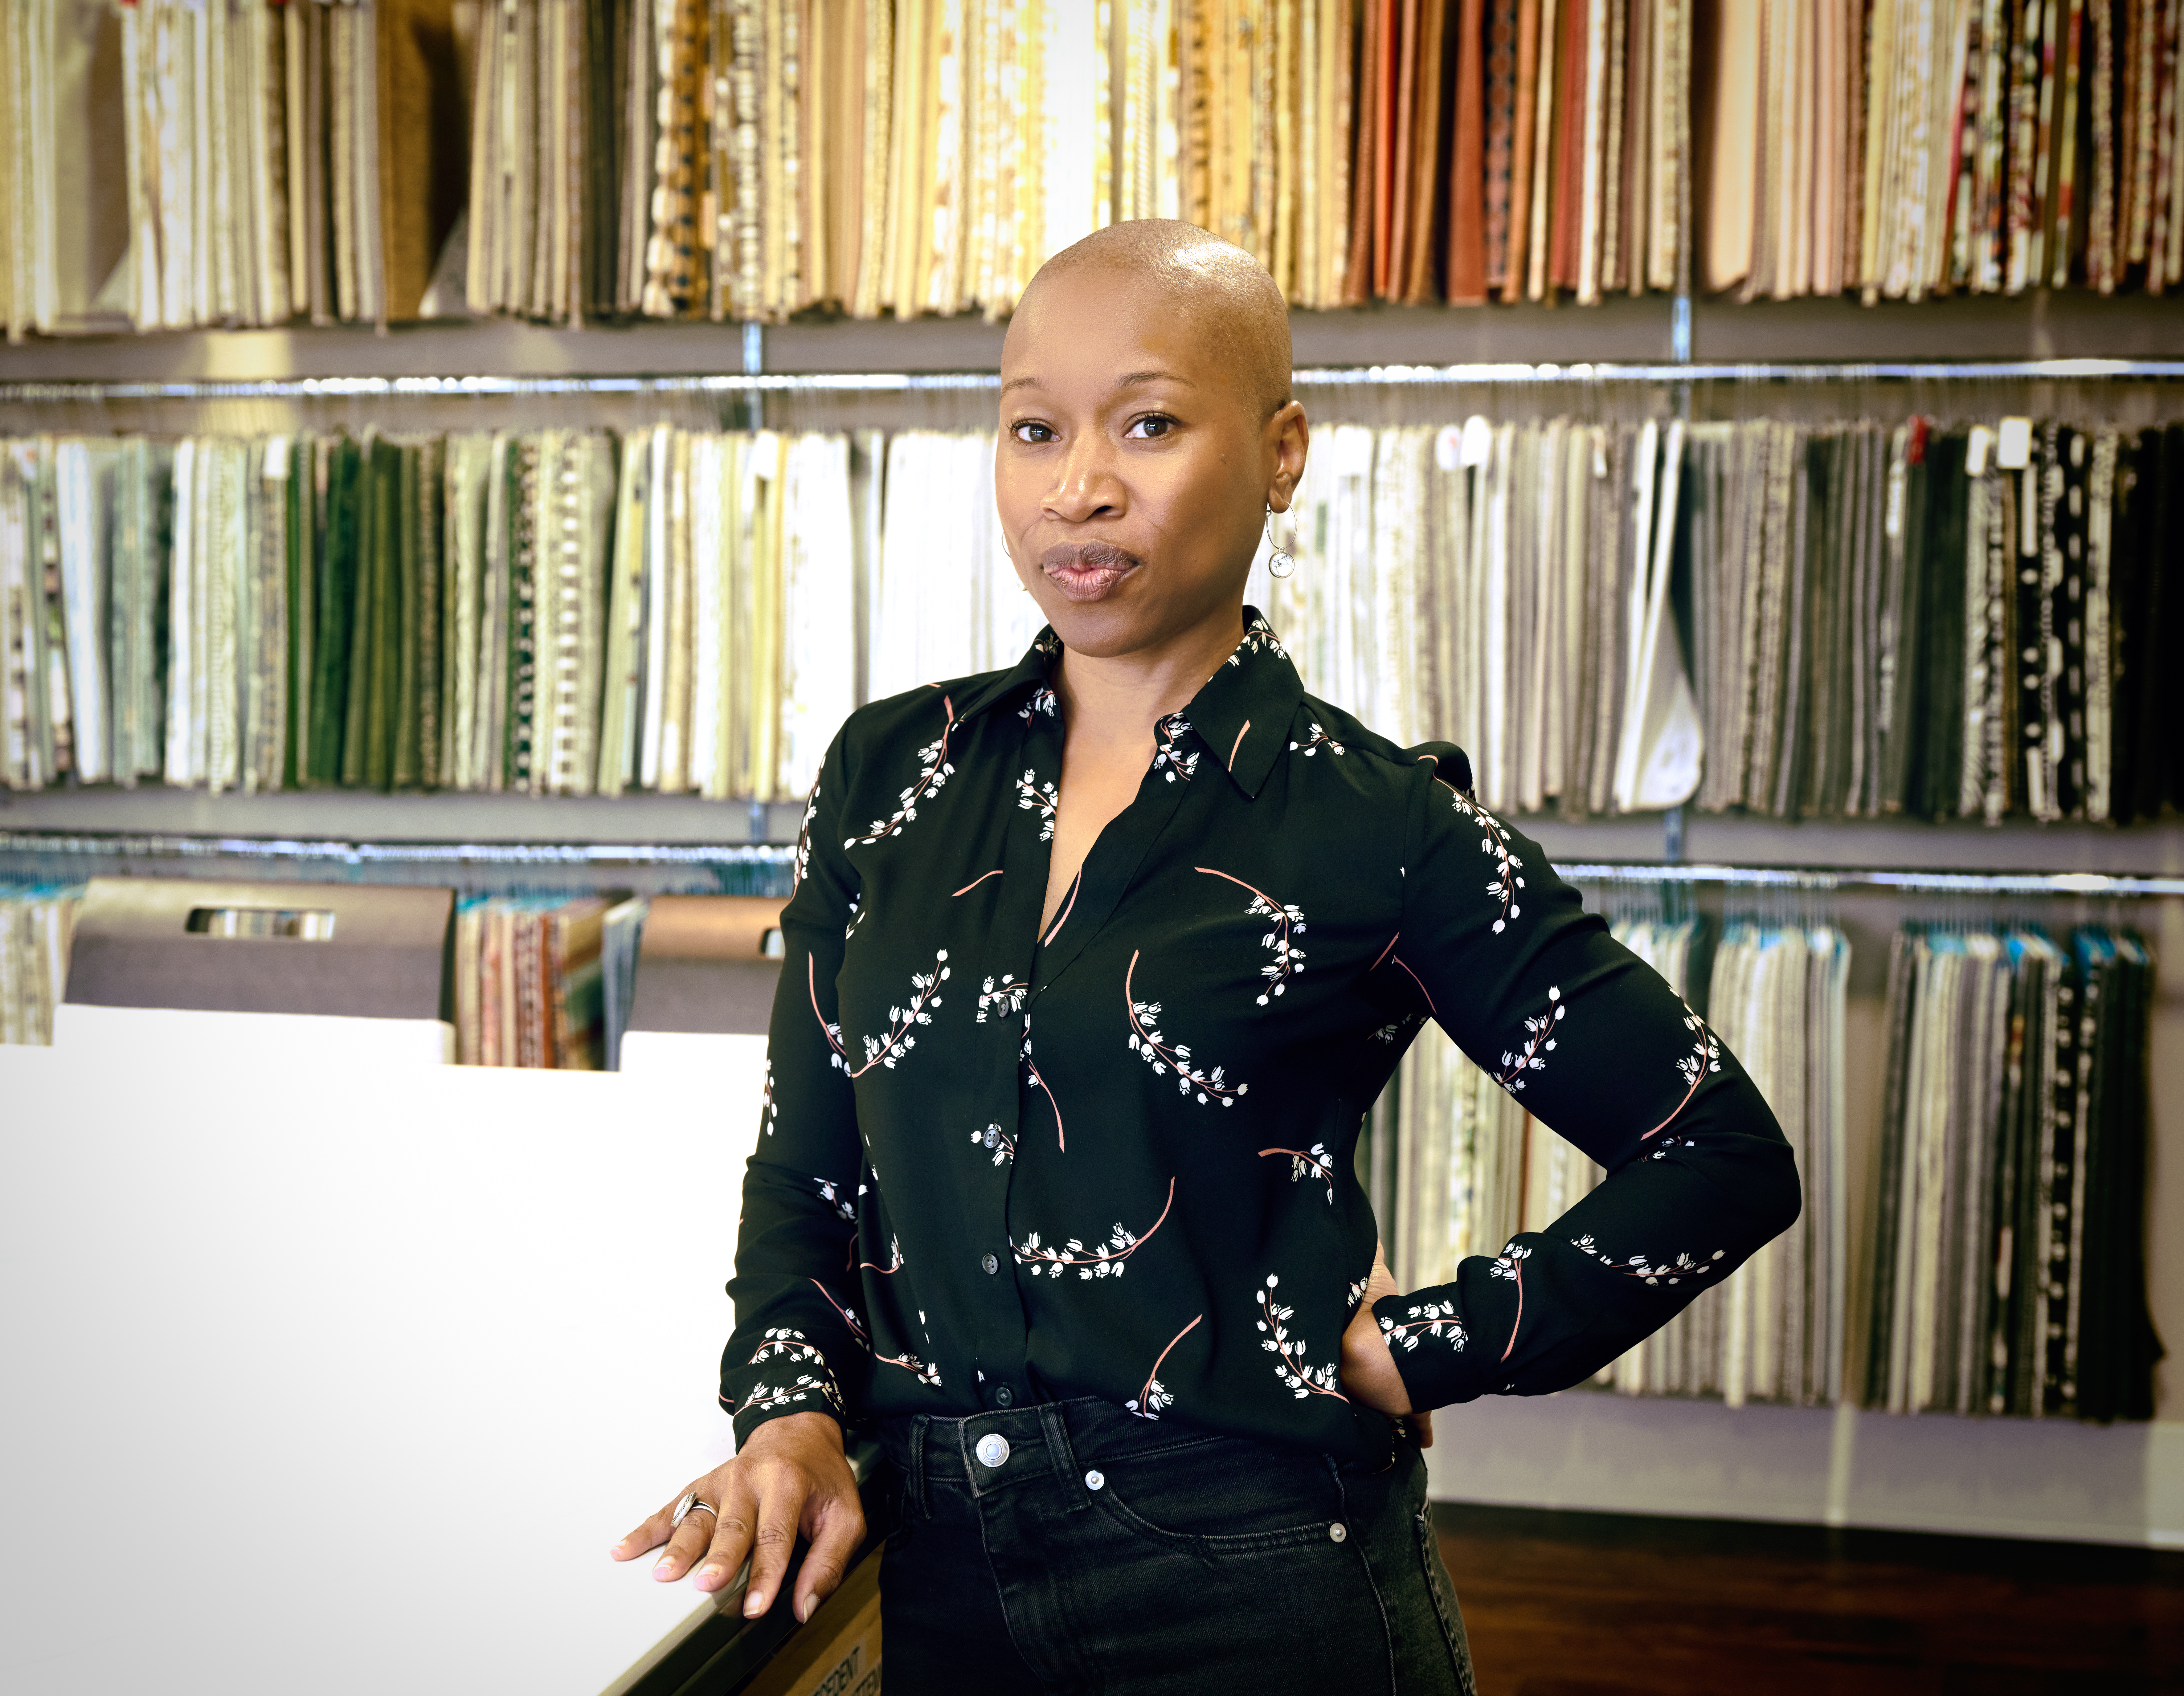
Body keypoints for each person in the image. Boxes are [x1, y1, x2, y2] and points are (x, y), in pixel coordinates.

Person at [612, 220, 1800, 1693]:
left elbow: (1718, 1150)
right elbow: (809, 1161)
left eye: (1151, 423)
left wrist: (1425, 1345)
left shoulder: (1377, 821)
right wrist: (785, 1412)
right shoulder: (892, 774)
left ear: (1282, 451)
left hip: (1252, 1577)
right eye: (1033, 426)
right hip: (927, 1567)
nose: (1079, 484)